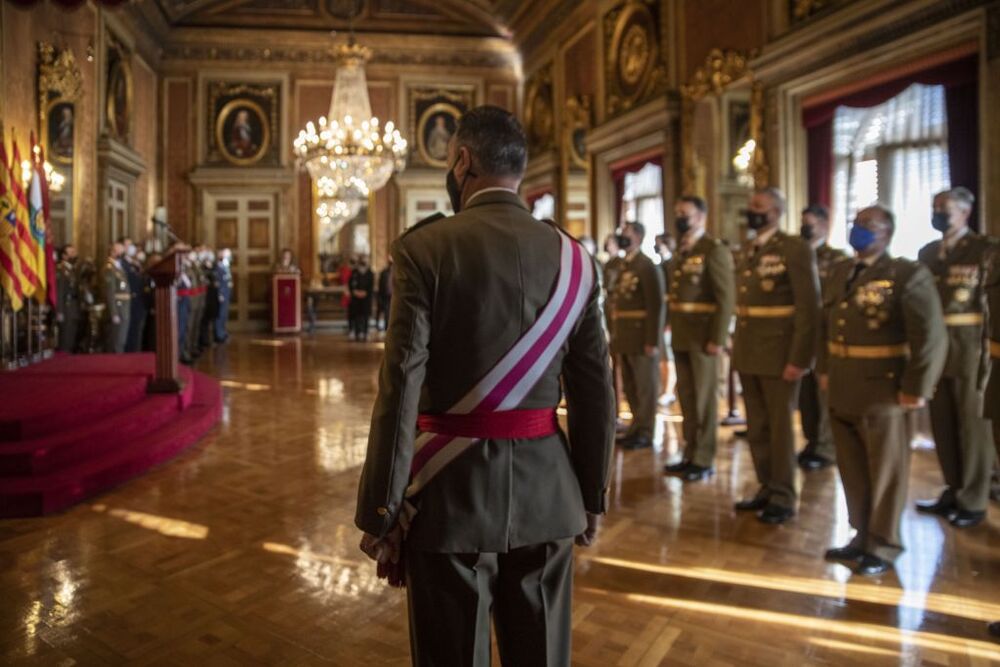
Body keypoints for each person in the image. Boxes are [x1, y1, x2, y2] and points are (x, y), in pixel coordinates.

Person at [355, 106, 614, 667]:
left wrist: (381, 508)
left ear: (463, 161)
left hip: (450, 495)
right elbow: (596, 391)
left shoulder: (424, 249)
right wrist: (591, 493)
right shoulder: (576, 260)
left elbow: (400, 388)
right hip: (550, 492)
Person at [818, 205, 946, 576]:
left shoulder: (906, 273)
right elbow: (828, 324)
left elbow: (931, 336)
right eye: (856, 223)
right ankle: (861, 536)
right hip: (843, 383)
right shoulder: (842, 270)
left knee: (886, 470)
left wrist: (916, 387)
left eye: (867, 225)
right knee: (853, 468)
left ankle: (884, 543)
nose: (858, 230)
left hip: (883, 388)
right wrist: (824, 369)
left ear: (887, 232)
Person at [731, 187, 820, 524]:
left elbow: (808, 307)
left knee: (781, 429)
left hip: (780, 354)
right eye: (751, 204)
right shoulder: (750, 248)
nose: (751, 210)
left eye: (759, 206)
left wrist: (800, 358)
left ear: (777, 212)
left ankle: (784, 494)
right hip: (749, 350)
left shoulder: (793, 248)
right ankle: (767, 485)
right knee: (758, 427)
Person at [915, 187, 996, 528]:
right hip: (936, 349)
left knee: (973, 426)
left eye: (944, 208)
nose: (939, 213)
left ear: (964, 211)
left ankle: (974, 499)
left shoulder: (984, 250)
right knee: (944, 423)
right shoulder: (929, 252)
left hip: (969, 347)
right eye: (935, 207)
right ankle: (953, 487)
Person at [662, 196, 735, 481]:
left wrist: (717, 338)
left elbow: (726, 298)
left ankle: (704, 458)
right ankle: (690, 452)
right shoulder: (683, 250)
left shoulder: (712, 249)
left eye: (686, 213)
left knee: (704, 401)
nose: (680, 217)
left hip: (704, 337)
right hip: (682, 334)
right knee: (688, 399)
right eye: (677, 212)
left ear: (701, 216)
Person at [798, 205, 848, 471]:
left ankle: (826, 447)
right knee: (805, 395)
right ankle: (811, 440)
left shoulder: (838, 259)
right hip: (801, 334)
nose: (806, 228)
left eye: (811, 223)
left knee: (824, 393)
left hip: (825, 333)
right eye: (803, 222)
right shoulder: (797, 255)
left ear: (825, 225)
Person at [608, 221, 666, 450]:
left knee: (645, 386)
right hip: (625, 335)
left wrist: (652, 340)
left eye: (627, 233)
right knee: (630, 386)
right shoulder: (624, 265)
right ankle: (636, 426)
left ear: (639, 237)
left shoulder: (647, 266)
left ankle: (646, 430)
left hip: (642, 336)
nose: (622, 236)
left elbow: (656, 306)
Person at [102, 242, 131, 353]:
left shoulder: (118, 267)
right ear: (113, 252)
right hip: (118, 308)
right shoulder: (109, 268)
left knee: (121, 340)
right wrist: (114, 313)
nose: (123, 253)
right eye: (120, 251)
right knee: (116, 341)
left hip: (123, 308)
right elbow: (110, 292)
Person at [121, 237, 147, 353]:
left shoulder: (134, 262)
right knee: (132, 333)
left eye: (131, 245)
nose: (131, 248)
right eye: (127, 245)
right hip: (131, 301)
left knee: (138, 333)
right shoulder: (122, 263)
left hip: (139, 301)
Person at [55, 244, 80, 353]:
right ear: (64, 256)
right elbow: (59, 292)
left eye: (74, 252)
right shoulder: (61, 270)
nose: (74, 255)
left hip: (73, 306)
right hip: (66, 307)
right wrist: (59, 311)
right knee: (66, 335)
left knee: (72, 335)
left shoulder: (71, 269)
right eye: (71, 253)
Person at [348, 256, 374, 341]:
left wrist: (365, 293)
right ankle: (357, 332)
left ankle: (366, 332)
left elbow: (371, 286)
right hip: (356, 299)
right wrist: (355, 292)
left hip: (366, 299)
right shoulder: (354, 272)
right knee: (356, 316)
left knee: (366, 316)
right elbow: (351, 284)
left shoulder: (370, 273)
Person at [214, 248, 233, 343]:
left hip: (226, 293)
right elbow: (218, 282)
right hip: (222, 294)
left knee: (224, 315)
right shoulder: (218, 267)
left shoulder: (225, 266)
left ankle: (223, 332)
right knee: (220, 315)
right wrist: (220, 294)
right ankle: (219, 334)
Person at [376, 257, 393, 332]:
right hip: (386, 296)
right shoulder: (384, 272)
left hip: (394, 296)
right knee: (387, 313)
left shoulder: (399, 272)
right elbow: (381, 285)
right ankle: (387, 328)